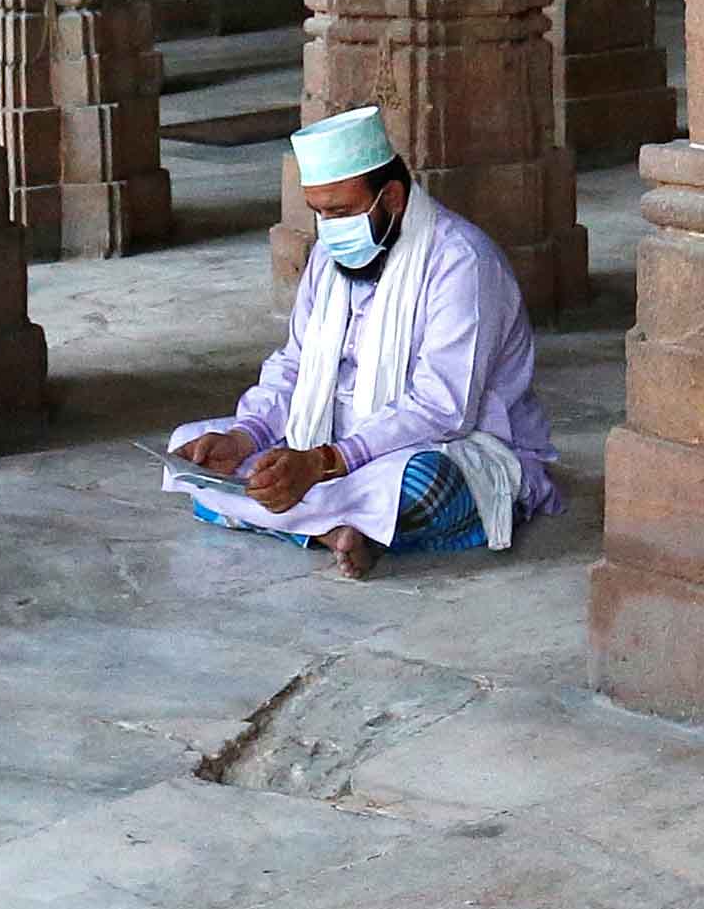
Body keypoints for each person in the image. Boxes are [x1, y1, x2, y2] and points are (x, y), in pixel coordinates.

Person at [168, 105, 561, 577]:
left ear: (392, 197)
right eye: (319, 214)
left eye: (341, 212)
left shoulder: (461, 262)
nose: (330, 229)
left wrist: (325, 462)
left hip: (446, 445)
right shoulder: (328, 259)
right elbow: (294, 364)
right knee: (193, 454)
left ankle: (317, 517)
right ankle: (335, 530)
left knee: (424, 486)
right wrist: (244, 435)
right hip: (326, 441)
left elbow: (442, 407)